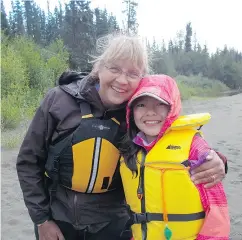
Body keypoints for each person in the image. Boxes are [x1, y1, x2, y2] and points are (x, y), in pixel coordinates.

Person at [16, 34, 227, 240]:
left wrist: (217, 160)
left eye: (133, 74)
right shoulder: (59, 100)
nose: (122, 80)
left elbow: (174, 142)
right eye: (114, 68)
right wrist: (42, 220)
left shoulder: (140, 111)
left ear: (142, 79)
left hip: (114, 224)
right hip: (59, 218)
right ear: (98, 68)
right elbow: (29, 162)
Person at [120, 75, 230, 240]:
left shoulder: (196, 148)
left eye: (160, 104)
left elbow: (217, 212)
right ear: (131, 111)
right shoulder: (128, 149)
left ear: (173, 107)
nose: (150, 112)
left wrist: (220, 160)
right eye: (141, 105)